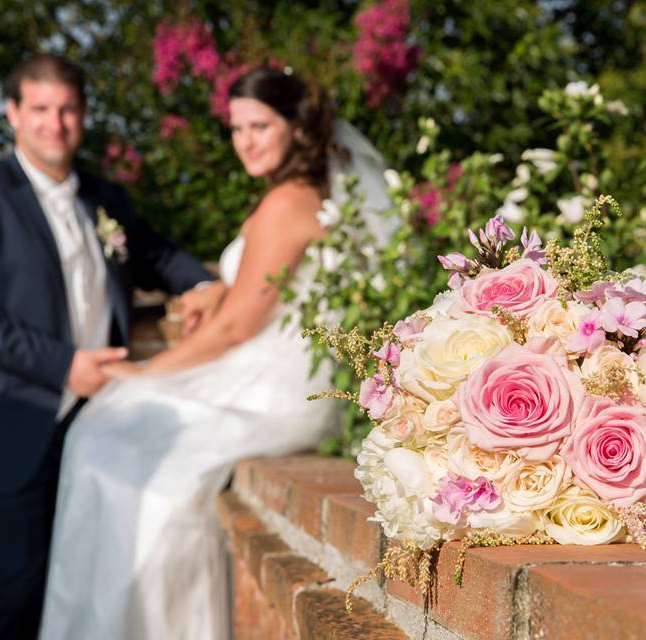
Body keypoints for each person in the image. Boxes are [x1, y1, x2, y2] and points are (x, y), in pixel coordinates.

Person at [38, 67, 390, 639]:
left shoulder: (286, 202)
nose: (244, 140)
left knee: (112, 442)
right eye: (236, 128)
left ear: (297, 129)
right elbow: (267, 287)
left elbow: (233, 331)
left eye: (259, 125)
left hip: (276, 389)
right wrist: (222, 286)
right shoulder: (312, 195)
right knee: (107, 439)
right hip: (290, 379)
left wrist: (141, 371)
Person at [0, 54, 211, 640]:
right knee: (11, 601)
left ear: (83, 114)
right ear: (13, 114)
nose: (55, 124)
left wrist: (207, 284)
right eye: (40, 110)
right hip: (7, 427)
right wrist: (63, 366)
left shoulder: (105, 199)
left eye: (68, 109)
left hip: (97, 426)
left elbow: (154, 255)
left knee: (77, 593)